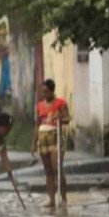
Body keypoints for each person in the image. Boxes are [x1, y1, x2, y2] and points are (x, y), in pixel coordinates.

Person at [32, 79, 70, 207]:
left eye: (46, 91)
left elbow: (67, 119)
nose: (44, 94)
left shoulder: (61, 103)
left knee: (56, 168)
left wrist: (60, 118)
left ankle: (63, 197)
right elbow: (37, 125)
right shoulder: (39, 106)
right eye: (42, 92)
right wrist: (34, 142)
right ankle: (51, 199)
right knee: (48, 170)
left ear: (51, 91)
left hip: (55, 137)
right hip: (43, 138)